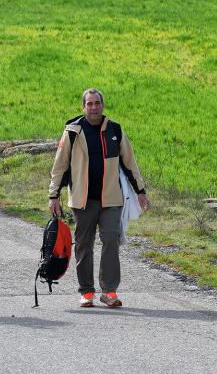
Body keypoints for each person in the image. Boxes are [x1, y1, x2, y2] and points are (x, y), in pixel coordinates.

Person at [48, 89, 150, 308]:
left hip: (111, 199)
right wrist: (53, 195)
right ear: (83, 107)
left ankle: (109, 291)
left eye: (97, 103)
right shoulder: (73, 132)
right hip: (83, 200)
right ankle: (86, 292)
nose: (93, 108)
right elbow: (60, 166)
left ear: (103, 105)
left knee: (111, 241)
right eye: (89, 104)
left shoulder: (115, 130)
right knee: (84, 244)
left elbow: (130, 163)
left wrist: (140, 191)